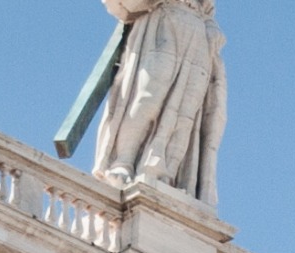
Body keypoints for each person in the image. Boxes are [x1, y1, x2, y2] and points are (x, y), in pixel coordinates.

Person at [92, 0, 225, 208]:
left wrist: (211, 26)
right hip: (163, 19)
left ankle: (163, 173)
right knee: (146, 97)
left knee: (186, 112)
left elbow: (208, 9)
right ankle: (124, 161)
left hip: (198, 32)